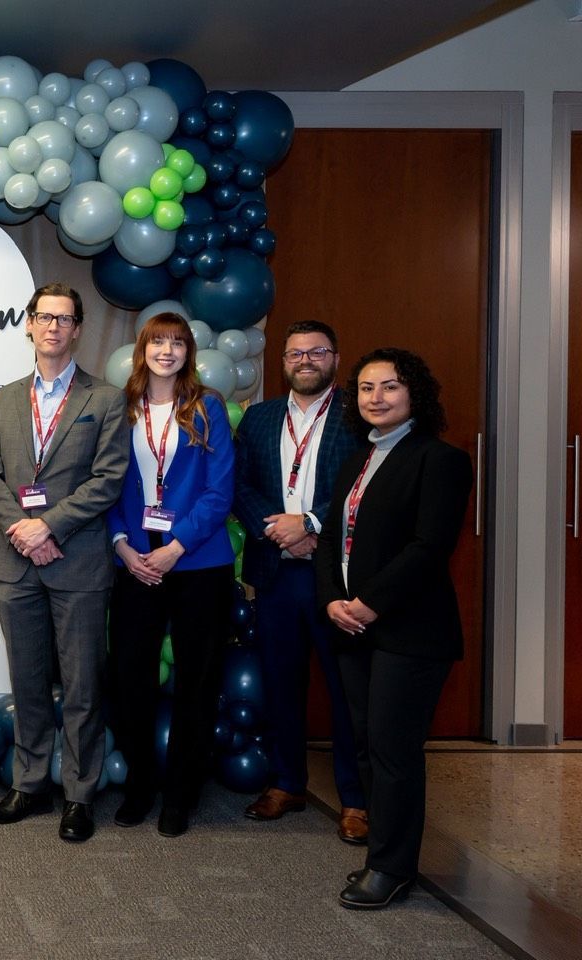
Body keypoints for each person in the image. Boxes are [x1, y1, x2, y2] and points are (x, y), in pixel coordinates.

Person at [316, 347, 472, 909]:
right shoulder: (358, 459)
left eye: (389, 387)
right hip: (352, 626)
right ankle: (382, 852)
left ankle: (392, 867)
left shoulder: (441, 460)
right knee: (364, 742)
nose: (375, 398)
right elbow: (333, 538)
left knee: (393, 749)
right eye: (365, 388)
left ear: (415, 395)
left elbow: (430, 548)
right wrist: (333, 600)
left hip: (410, 630)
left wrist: (369, 603)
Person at [0, 282, 130, 844]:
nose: (53, 327)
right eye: (44, 317)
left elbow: (109, 478)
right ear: (28, 325)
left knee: (83, 686)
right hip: (18, 561)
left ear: (78, 329)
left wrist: (51, 525)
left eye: (64, 319)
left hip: (79, 562)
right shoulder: (7, 397)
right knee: (28, 681)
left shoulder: (106, 400)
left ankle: (79, 793)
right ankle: (29, 783)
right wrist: (24, 529)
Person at [232, 320, 367, 842]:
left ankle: (355, 800)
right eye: (295, 353)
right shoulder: (260, 418)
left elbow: (366, 487)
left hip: (337, 576)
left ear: (335, 358)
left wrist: (310, 524)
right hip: (276, 572)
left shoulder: (359, 417)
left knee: (344, 690)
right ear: (282, 361)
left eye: (317, 352)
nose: (305, 361)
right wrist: (279, 529)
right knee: (281, 683)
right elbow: (239, 485)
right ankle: (287, 782)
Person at [107, 312, 235, 838]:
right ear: (142, 350)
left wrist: (176, 545)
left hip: (199, 562)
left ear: (189, 352)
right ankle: (140, 785)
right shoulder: (121, 408)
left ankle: (181, 794)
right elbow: (108, 484)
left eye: (177, 342)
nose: (167, 350)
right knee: (129, 679)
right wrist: (122, 544)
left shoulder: (208, 407)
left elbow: (219, 489)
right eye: (157, 341)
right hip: (135, 562)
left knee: (197, 682)